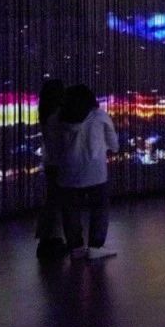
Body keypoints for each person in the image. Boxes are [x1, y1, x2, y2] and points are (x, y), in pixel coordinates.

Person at [57, 84, 119, 260]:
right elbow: (113, 144)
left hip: (68, 171)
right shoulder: (100, 116)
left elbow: (54, 145)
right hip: (96, 171)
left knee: (71, 211)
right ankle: (95, 246)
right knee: (99, 208)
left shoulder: (60, 118)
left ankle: (75, 247)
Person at [34, 77, 67, 259]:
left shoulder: (46, 114)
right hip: (58, 163)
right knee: (56, 203)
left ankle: (47, 238)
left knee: (52, 202)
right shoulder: (58, 116)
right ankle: (51, 239)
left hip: (50, 163)